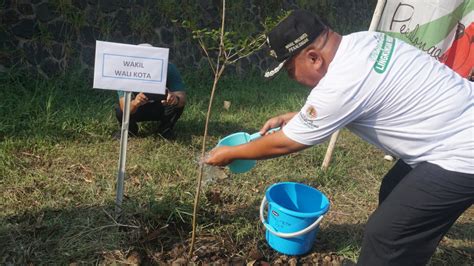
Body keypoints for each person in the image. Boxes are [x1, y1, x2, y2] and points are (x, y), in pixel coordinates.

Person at [205, 10, 473, 265]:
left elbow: (286, 142)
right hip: (456, 127)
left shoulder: (342, 82)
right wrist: (300, 115)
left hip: (462, 152)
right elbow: (358, 98)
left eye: (290, 70)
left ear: (313, 58)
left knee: (387, 235)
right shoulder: (365, 41)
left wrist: (230, 152)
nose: (292, 78)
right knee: (393, 189)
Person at [114, 44, 187, 140]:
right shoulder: (126, 72)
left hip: (161, 106)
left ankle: (165, 129)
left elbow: (182, 99)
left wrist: (174, 99)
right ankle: (130, 130)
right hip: (138, 109)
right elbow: (124, 107)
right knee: (120, 110)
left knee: (177, 106)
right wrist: (135, 103)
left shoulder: (169, 69)